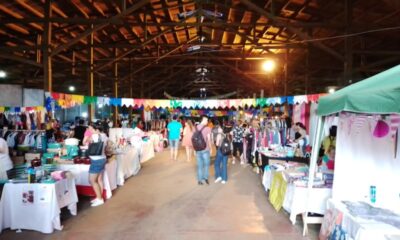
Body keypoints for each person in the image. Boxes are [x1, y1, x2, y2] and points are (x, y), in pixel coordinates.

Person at [88, 125, 108, 207]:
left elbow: (86, 141)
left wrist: (89, 138)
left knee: (92, 180)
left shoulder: (94, 136)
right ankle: (99, 196)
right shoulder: (104, 135)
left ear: (96, 129)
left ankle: (100, 199)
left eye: (90, 128)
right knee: (99, 179)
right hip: (102, 159)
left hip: (96, 160)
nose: (89, 130)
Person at [195, 115, 212, 185]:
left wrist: (194, 149)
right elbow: (209, 139)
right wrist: (211, 148)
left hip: (198, 149)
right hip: (205, 149)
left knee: (199, 165)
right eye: (206, 120)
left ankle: (199, 180)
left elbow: (193, 139)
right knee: (206, 165)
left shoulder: (195, 127)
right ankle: (206, 178)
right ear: (203, 120)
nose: (207, 121)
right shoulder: (208, 128)